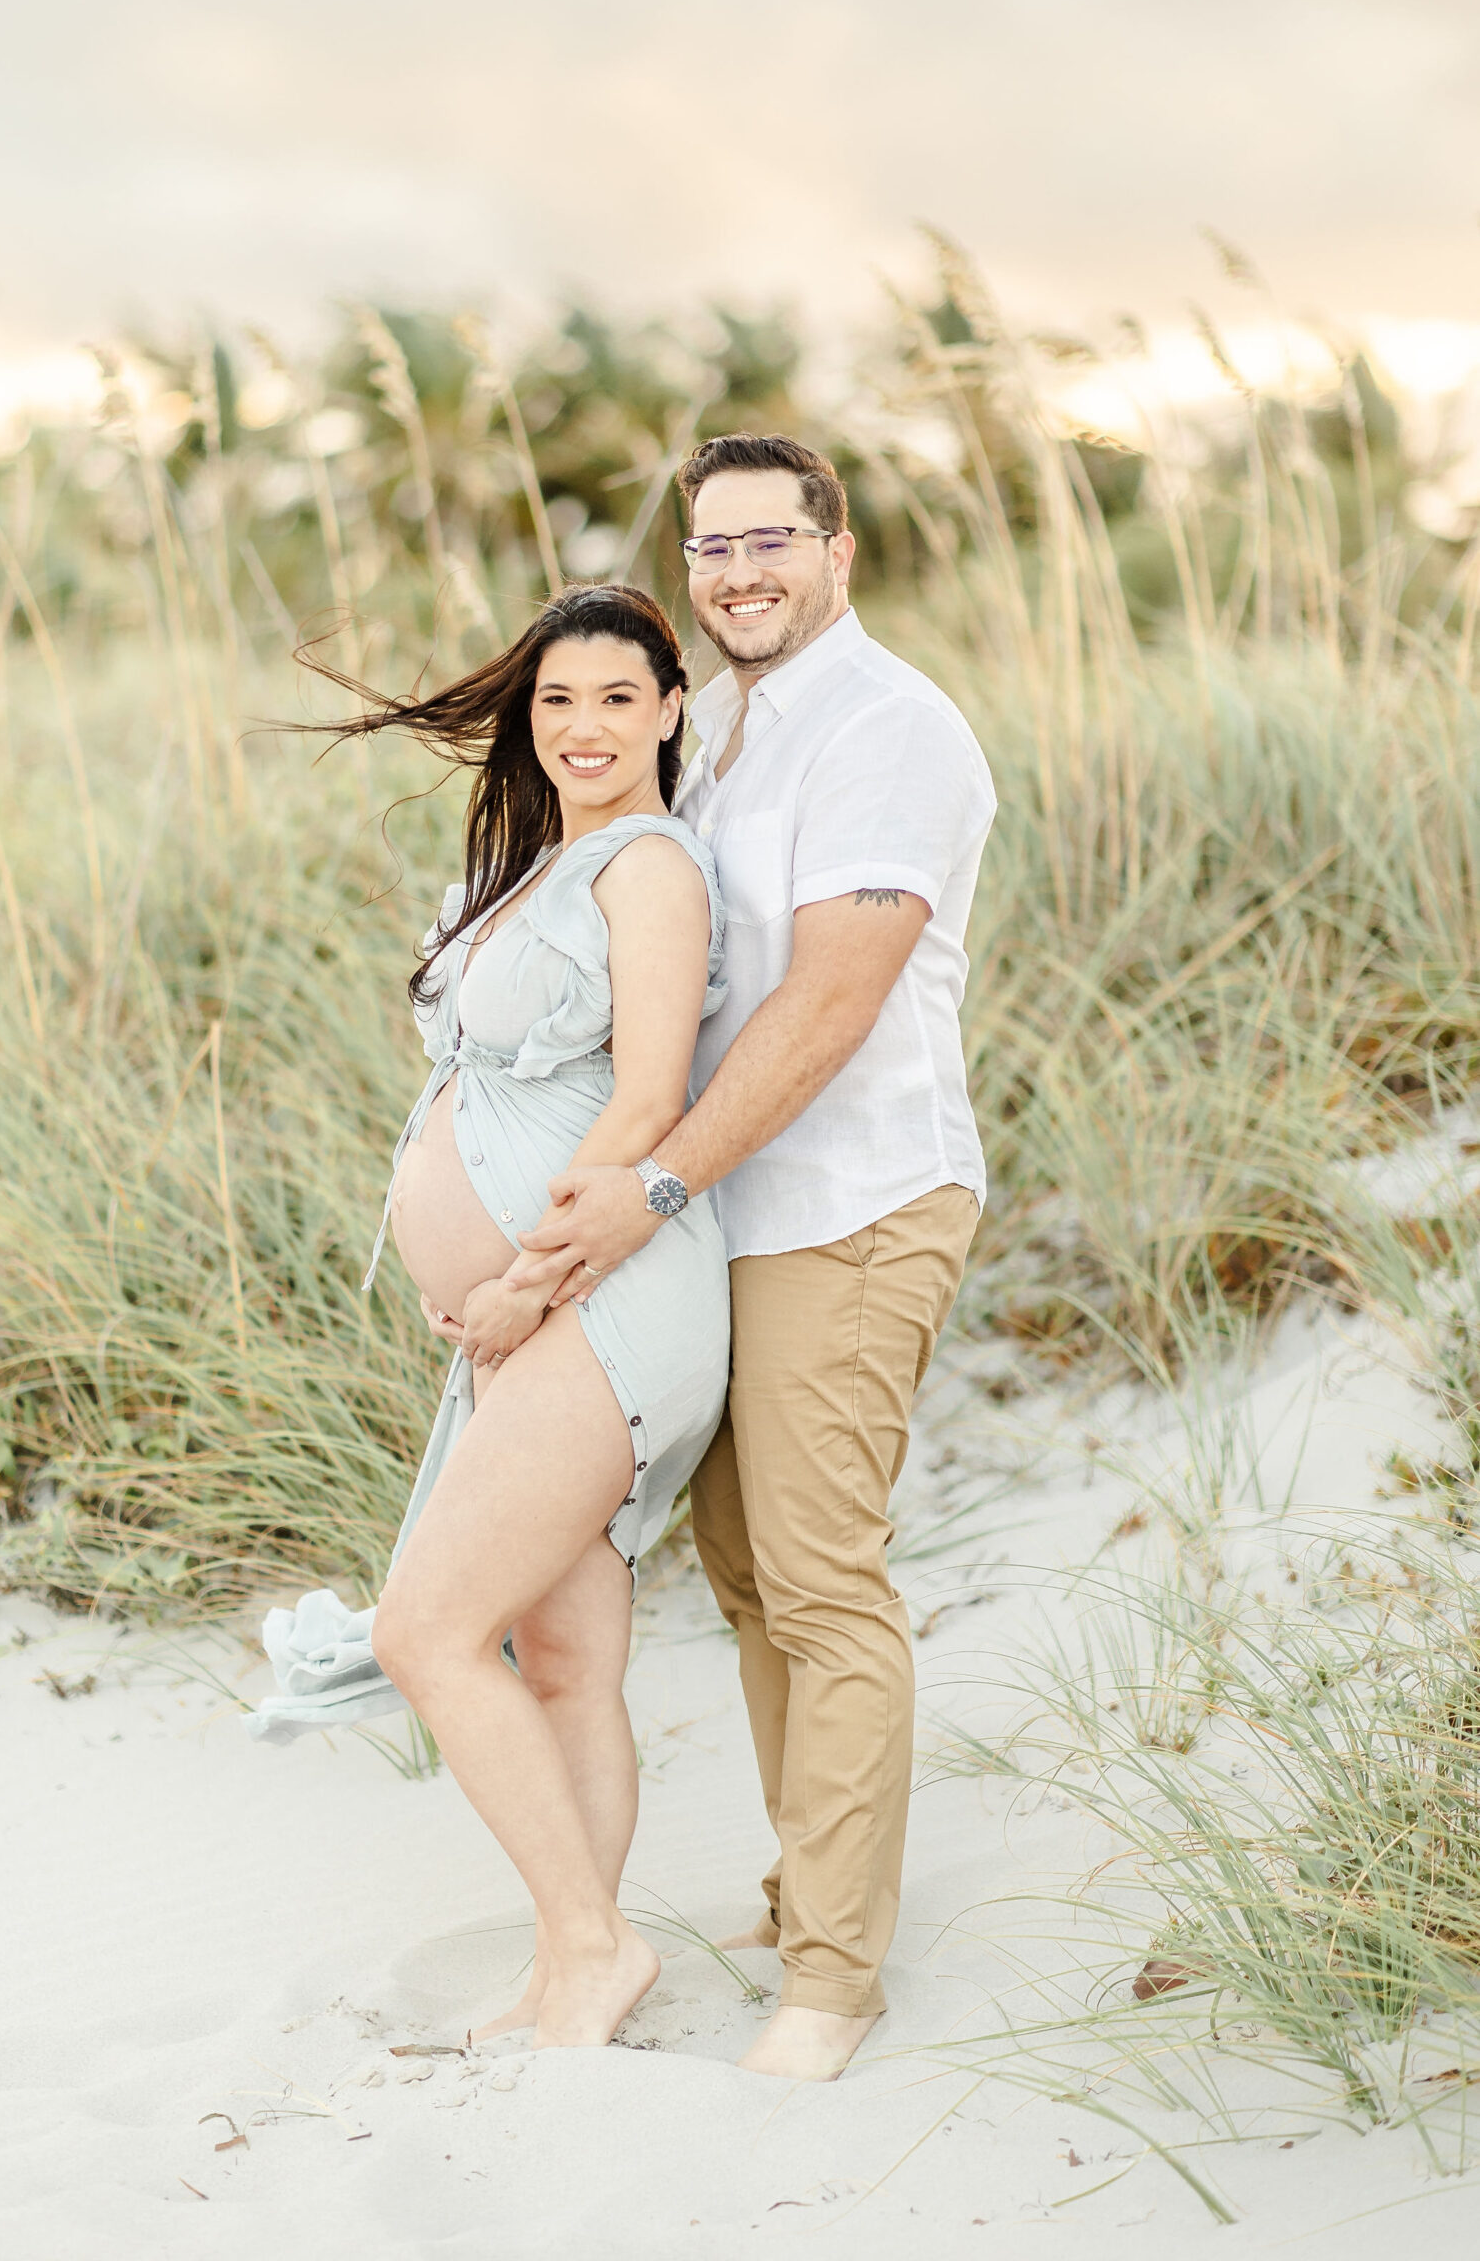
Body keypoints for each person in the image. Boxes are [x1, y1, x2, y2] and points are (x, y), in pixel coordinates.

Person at [520, 434, 996, 2081]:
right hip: (728, 1215)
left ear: (840, 550)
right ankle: (809, 1893)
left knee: (820, 1579)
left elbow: (830, 1002)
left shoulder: (891, 732)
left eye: (771, 539)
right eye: (711, 546)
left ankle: (835, 1983)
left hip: (849, 1208)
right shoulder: (720, 727)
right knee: (743, 1579)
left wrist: (649, 1183)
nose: (737, 571)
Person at [253, 584, 732, 2053]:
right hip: (542, 1315)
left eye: (614, 698)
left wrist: (529, 1278)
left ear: (667, 708)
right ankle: (565, 1971)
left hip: (603, 1298)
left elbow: (653, 1102)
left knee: (430, 1632)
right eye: (555, 703)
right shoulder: (544, 865)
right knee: (569, 1660)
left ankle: (591, 1952)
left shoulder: (650, 867)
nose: (583, 728)